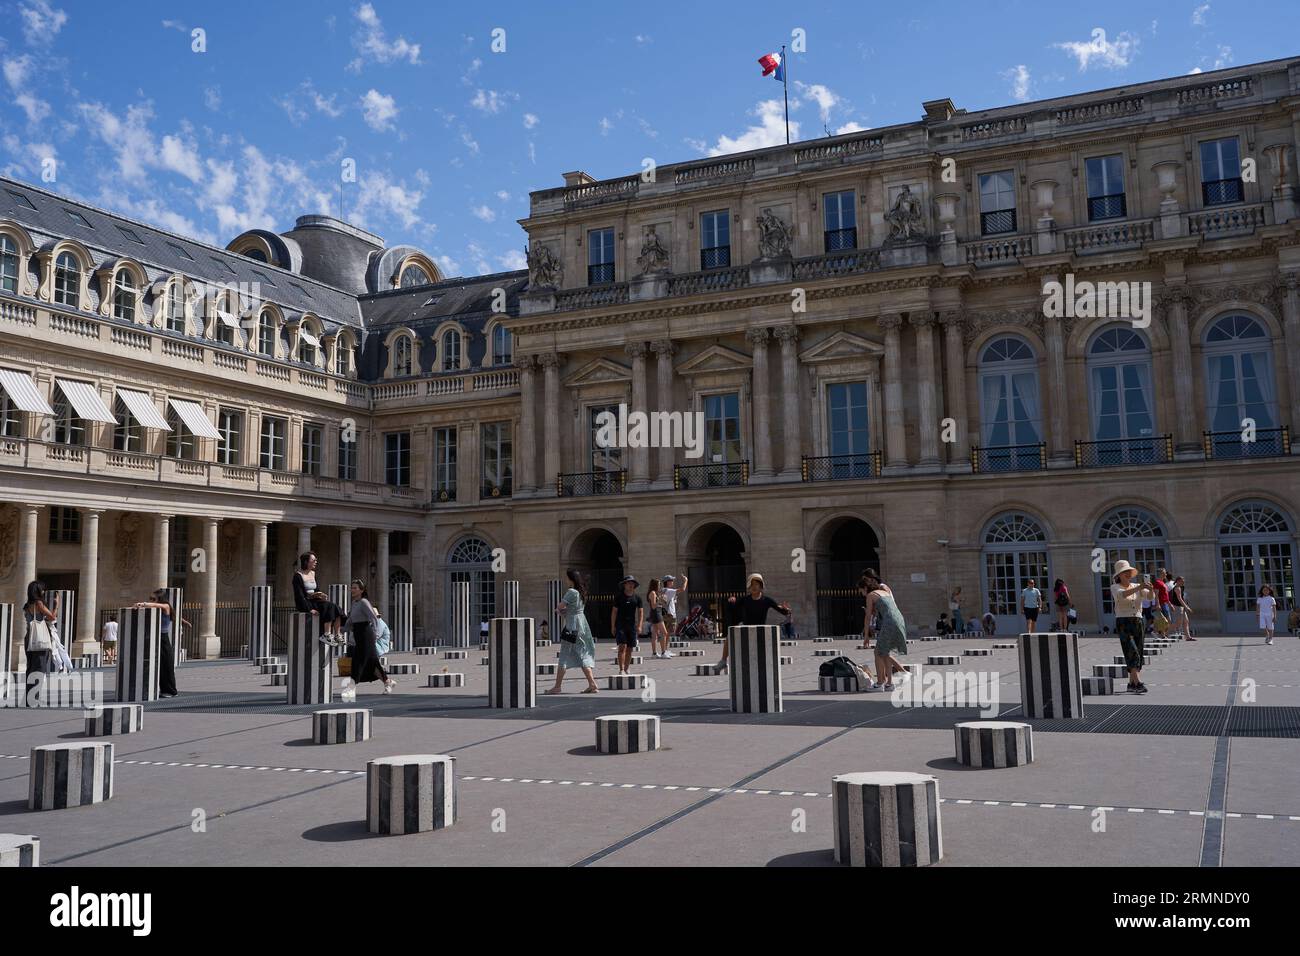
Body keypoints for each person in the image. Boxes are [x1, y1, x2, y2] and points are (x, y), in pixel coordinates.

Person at [718, 573, 790, 672]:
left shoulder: (767, 600)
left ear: (761, 586)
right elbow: (733, 608)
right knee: (730, 635)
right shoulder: (745, 599)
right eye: (752, 585)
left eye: (756, 584)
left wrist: (786, 610)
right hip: (746, 628)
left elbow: (780, 609)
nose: (754, 587)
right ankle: (723, 661)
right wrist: (731, 601)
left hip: (760, 630)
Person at [546, 568, 599, 695]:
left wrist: (559, 611)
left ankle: (557, 687)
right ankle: (592, 684)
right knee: (582, 653)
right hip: (582, 625)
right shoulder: (581, 592)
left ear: (570, 578)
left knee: (564, 654)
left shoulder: (571, 592)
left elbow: (560, 606)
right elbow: (575, 609)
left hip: (572, 626)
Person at [341, 580, 396, 697]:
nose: (352, 590)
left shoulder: (364, 602)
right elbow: (350, 620)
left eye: (355, 588)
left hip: (366, 634)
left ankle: (351, 688)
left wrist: (375, 635)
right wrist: (342, 630)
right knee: (372, 661)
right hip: (358, 633)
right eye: (352, 588)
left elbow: (374, 618)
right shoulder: (354, 603)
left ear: (361, 590)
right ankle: (387, 682)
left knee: (358, 660)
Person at [861, 570, 909, 691]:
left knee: (877, 652)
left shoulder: (871, 595)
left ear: (865, 587)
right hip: (899, 619)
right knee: (885, 652)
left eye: (861, 591)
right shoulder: (883, 592)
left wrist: (866, 636)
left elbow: (867, 617)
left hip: (889, 622)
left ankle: (879, 683)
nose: (861, 594)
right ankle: (889, 684)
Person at [1111, 560, 1152, 694]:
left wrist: (1151, 590)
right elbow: (1121, 595)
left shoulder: (1136, 585)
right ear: (1119, 575)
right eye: (1124, 572)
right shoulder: (1115, 587)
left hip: (1138, 620)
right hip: (1123, 621)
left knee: (1138, 651)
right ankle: (1138, 682)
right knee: (1131, 650)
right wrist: (1139, 588)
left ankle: (1131, 683)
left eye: (1129, 572)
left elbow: (1150, 598)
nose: (1128, 574)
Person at [133, 589, 180, 698]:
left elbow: (162, 607)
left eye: (153, 599)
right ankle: (163, 689)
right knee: (160, 666)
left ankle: (171, 691)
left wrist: (143, 604)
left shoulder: (165, 606)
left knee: (166, 665)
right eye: (150, 599)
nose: (151, 601)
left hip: (163, 638)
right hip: (156, 637)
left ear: (160, 599)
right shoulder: (156, 609)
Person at [293, 552, 344, 646]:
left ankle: (337, 634)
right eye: (314, 560)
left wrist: (321, 595)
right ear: (306, 562)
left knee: (335, 607)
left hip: (315, 600)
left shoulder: (313, 573)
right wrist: (309, 609)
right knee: (329, 606)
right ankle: (326, 634)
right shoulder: (298, 576)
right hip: (306, 603)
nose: (316, 562)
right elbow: (299, 595)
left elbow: (316, 589)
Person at [22, 580, 57, 694]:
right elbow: (52, 617)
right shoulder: (39, 603)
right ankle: (34, 697)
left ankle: (29, 696)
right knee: (39, 667)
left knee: (31, 667)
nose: (43, 591)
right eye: (42, 589)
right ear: (37, 591)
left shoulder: (27, 605)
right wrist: (57, 605)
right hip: (39, 639)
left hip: (29, 638)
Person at [610, 576, 644, 676]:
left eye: (632, 583)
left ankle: (627, 668)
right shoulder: (619, 597)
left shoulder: (637, 598)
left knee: (630, 648)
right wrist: (613, 626)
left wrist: (640, 625)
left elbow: (641, 612)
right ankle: (621, 669)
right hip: (621, 625)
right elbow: (614, 612)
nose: (630, 585)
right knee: (622, 646)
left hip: (632, 626)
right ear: (624, 585)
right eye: (628, 583)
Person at [646, 578, 673, 659]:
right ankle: (663, 652)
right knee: (664, 633)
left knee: (654, 634)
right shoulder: (653, 593)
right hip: (656, 614)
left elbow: (660, 604)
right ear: (654, 585)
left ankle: (654, 653)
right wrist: (660, 599)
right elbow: (654, 606)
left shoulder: (655, 593)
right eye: (658, 584)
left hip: (657, 613)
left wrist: (662, 600)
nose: (659, 586)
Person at [662, 573, 687, 638]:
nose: (673, 582)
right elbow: (682, 589)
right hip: (669, 614)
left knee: (665, 632)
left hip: (664, 613)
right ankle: (664, 647)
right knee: (668, 632)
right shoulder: (669, 591)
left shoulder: (663, 590)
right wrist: (686, 580)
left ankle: (664, 647)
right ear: (667, 582)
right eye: (671, 580)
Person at [1173, 575, 1196, 641]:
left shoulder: (1181, 587)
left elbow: (1182, 598)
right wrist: (1187, 607)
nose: (1183, 582)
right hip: (1178, 607)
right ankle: (1166, 632)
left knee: (1186, 621)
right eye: (1182, 581)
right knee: (1178, 623)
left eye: (1184, 581)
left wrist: (1185, 606)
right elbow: (1179, 599)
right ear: (1178, 581)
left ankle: (1188, 637)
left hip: (1181, 607)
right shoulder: (1177, 588)